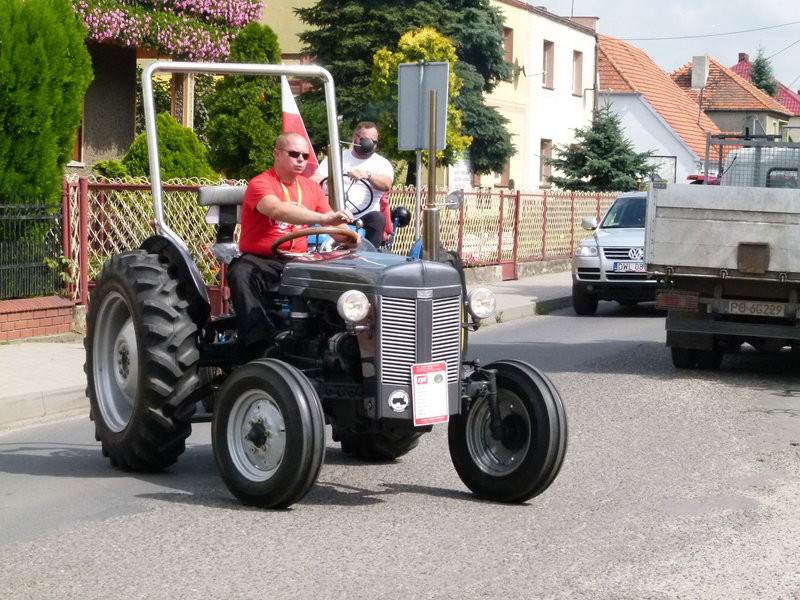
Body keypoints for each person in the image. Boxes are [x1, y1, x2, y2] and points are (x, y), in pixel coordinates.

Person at [227, 131, 359, 356]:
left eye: (305, 156)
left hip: (299, 260)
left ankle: (336, 340)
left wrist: (349, 237)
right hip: (263, 259)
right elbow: (277, 209)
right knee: (241, 272)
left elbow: (334, 227)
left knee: (345, 273)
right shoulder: (260, 183)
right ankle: (259, 346)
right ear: (277, 154)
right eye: (294, 154)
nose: (300, 160)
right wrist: (323, 219)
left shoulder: (311, 188)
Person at [312, 121, 394, 247]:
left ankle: (369, 255)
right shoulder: (336, 158)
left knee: (377, 218)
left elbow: (386, 184)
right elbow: (316, 179)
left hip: (364, 217)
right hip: (334, 214)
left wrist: (368, 175)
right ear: (354, 138)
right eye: (365, 140)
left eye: (374, 141)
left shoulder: (382, 163)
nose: (369, 144)